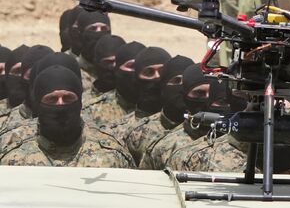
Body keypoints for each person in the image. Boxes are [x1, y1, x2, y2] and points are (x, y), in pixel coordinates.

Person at [0, 65, 134, 168]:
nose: (60, 105)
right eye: (52, 99)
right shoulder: (13, 161)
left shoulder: (111, 156)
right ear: (38, 104)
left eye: (68, 98)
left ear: (80, 102)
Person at [139, 65, 215, 170]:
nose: (207, 99)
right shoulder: (164, 148)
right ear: (185, 97)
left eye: (213, 94)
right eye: (199, 93)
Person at [125, 55, 194, 166]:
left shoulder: (205, 130)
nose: (181, 87)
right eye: (176, 81)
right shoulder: (139, 133)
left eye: (185, 82)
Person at [80, 41, 145, 126]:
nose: (136, 71)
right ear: (117, 69)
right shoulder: (92, 110)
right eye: (131, 66)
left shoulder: (160, 108)